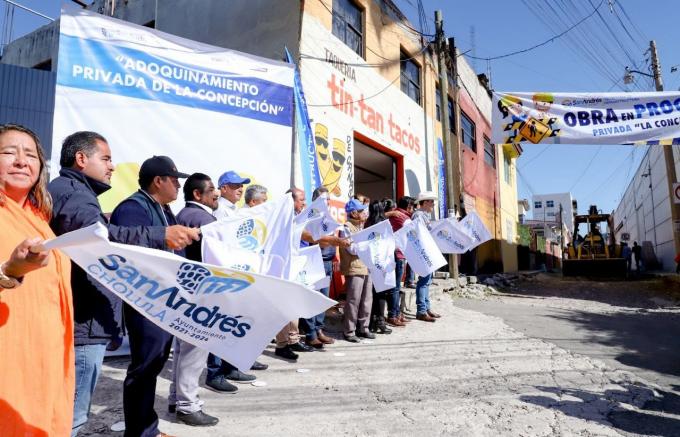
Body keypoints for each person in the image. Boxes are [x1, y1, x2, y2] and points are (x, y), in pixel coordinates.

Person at [48, 131, 197, 436]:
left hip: (143, 305)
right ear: (81, 159)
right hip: (109, 313)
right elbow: (108, 244)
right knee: (73, 415)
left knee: (147, 370)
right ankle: (140, 430)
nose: (112, 166)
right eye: (105, 158)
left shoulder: (82, 195)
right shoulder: (119, 205)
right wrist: (160, 237)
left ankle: (145, 428)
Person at [110, 155, 199, 437]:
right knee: (144, 368)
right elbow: (124, 245)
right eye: (174, 180)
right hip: (146, 303)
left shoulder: (164, 209)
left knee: (154, 365)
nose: (177, 186)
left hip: (166, 300)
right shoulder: (132, 208)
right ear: (158, 181)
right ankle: (139, 431)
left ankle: (147, 427)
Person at [0, 124, 74, 437]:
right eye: (8, 153)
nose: (21, 161)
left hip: (46, 358)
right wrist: (9, 271)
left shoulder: (41, 219)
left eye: (30, 155)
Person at [168, 173, 221, 427]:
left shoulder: (181, 216)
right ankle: (188, 405)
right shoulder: (205, 219)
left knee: (181, 349)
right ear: (197, 194)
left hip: (183, 292)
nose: (217, 193)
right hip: (201, 294)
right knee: (194, 352)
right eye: (212, 189)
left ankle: (176, 398)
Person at [275, 188, 316, 359]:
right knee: (284, 308)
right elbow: (308, 236)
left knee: (294, 307)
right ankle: (282, 344)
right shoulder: (282, 220)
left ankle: (293, 339)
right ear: (290, 201)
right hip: (283, 270)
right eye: (301, 200)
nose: (304, 203)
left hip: (296, 268)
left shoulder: (297, 219)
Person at [340, 198, 375, 342]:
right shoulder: (346, 227)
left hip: (366, 266)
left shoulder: (362, 227)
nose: (364, 213)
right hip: (354, 268)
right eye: (361, 211)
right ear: (353, 213)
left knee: (367, 299)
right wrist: (367, 243)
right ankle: (349, 331)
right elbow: (352, 249)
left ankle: (363, 328)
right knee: (353, 300)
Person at [366, 199, 393, 335]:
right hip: (383, 263)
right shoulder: (385, 224)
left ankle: (371, 323)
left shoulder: (367, 224)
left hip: (370, 263)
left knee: (371, 294)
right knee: (381, 293)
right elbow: (390, 243)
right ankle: (381, 322)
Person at [412, 191, 439, 322]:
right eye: (431, 201)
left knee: (427, 281)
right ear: (425, 202)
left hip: (427, 251)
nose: (433, 204)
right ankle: (421, 311)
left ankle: (426, 308)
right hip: (423, 251)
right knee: (423, 282)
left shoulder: (425, 215)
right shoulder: (418, 215)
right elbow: (419, 234)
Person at [386, 196, 412, 327]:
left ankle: (396, 313)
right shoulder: (404, 218)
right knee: (396, 287)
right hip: (398, 255)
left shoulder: (394, 215)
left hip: (396, 254)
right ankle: (393, 315)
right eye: (412, 207)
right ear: (409, 207)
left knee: (396, 287)